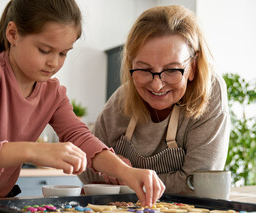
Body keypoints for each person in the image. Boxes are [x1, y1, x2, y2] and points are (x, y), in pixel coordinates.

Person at [0, 0, 165, 206]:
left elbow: (79, 137)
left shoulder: (53, 92)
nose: (54, 62)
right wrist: (33, 151)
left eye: (63, 53)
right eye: (45, 50)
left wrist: (127, 172)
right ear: (13, 34)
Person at [79, 5, 230, 195]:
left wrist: (126, 176)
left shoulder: (209, 92)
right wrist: (111, 167)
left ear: (193, 65)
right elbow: (84, 167)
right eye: (144, 69)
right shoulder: (122, 98)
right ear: (130, 65)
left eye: (172, 70)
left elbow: (198, 184)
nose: (157, 85)